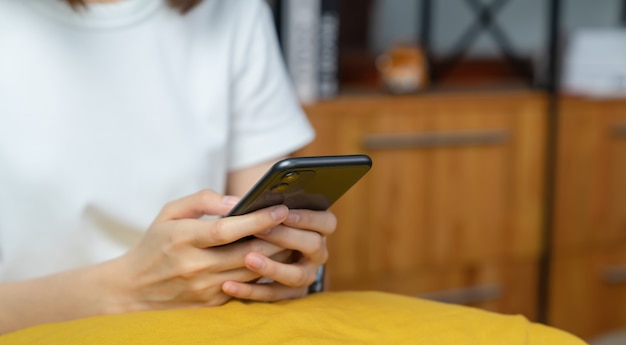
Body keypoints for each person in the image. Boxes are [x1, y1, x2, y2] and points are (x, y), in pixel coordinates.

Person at [0, 0, 336, 334]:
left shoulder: (234, 11)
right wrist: (126, 291)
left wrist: (289, 268)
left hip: (196, 328)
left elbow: (271, 236)